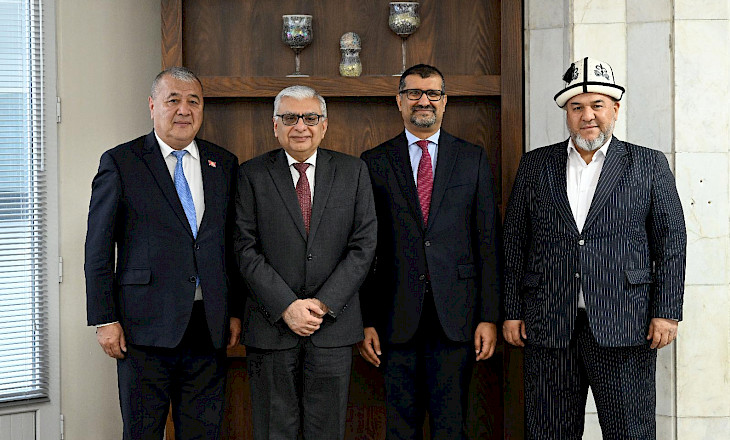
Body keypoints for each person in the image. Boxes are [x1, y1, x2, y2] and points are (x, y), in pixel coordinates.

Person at [502, 57, 687, 439]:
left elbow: (671, 241)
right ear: (567, 113)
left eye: (597, 105)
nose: (588, 115)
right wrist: (512, 310)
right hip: (549, 323)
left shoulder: (648, 164)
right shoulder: (535, 165)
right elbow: (515, 242)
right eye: (577, 107)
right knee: (549, 432)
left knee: (630, 432)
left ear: (615, 109)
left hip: (626, 323)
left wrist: (667, 312)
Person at [84, 66, 242, 440]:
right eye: (174, 100)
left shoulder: (223, 163)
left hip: (208, 327)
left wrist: (234, 310)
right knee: (143, 432)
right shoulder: (121, 162)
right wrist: (104, 318)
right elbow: (98, 247)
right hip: (143, 327)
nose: (184, 110)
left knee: (203, 432)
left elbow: (231, 244)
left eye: (193, 102)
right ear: (153, 105)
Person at [358, 64, 501, 439]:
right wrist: (366, 320)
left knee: (451, 426)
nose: (424, 101)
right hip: (394, 320)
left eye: (433, 93)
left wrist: (489, 317)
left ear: (445, 100)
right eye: (414, 93)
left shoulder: (471, 158)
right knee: (400, 428)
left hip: (456, 319)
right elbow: (365, 250)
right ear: (399, 101)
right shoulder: (374, 161)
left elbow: (487, 242)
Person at [234, 85, 377, 440]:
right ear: (275, 126)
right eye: (290, 118)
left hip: (332, 328)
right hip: (271, 327)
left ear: (324, 125)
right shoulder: (251, 174)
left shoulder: (353, 171)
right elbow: (244, 248)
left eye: (310, 118)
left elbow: (363, 246)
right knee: (273, 431)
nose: (301, 126)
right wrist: (286, 306)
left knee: (326, 432)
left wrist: (322, 304)